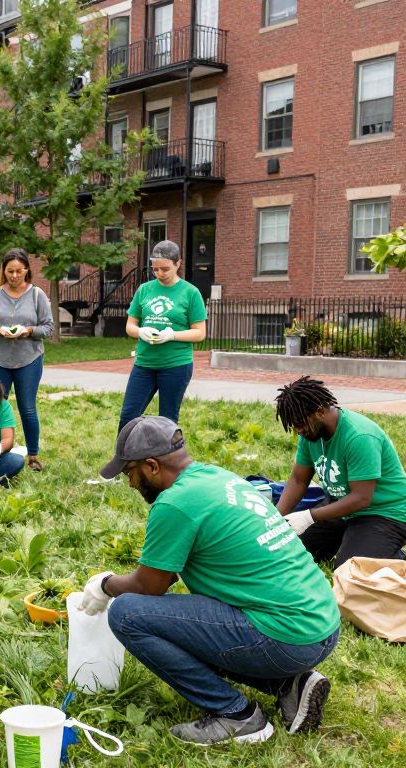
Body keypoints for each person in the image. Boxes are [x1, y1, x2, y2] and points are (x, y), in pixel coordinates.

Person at [82, 416, 341, 745]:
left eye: (129, 473)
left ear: (151, 466)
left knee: (128, 613)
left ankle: (237, 715)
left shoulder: (175, 503)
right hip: (321, 623)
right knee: (186, 621)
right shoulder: (217, 478)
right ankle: (290, 686)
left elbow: (150, 587)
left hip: (288, 636)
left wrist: (105, 584)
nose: (131, 484)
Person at [274, 376, 406, 568]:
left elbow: (361, 498)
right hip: (342, 507)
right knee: (288, 553)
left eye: (300, 424)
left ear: (319, 411)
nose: (298, 430)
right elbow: (298, 480)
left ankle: (390, 554)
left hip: (384, 512)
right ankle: (365, 544)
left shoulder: (359, 436)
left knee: (349, 571)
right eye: (294, 426)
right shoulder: (310, 435)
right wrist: (276, 519)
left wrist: (310, 516)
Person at [0, 248, 54, 471]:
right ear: (4, 271)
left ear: (27, 270)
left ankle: (33, 456)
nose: (14, 276)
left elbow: (48, 327)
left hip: (29, 360)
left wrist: (28, 330)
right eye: (10, 271)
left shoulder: (37, 295)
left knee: (27, 408)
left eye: (18, 271)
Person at [118, 240, 207, 431]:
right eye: (155, 269)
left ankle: (165, 460)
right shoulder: (144, 290)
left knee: (167, 420)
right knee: (128, 416)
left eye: (165, 269)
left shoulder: (191, 293)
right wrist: (141, 331)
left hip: (176, 365)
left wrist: (172, 335)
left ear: (178, 263)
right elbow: (130, 326)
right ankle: (124, 459)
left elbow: (200, 333)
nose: (159, 274)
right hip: (144, 363)